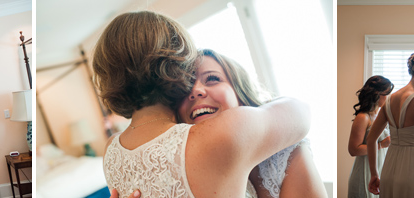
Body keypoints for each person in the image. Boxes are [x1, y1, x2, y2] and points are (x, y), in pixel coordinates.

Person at [95, 11, 310, 198]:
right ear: (176, 61)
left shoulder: (110, 152)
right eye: (191, 79)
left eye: (212, 79)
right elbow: (301, 113)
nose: (196, 90)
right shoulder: (218, 135)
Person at [175, 49, 327, 198]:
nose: (195, 91)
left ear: (239, 92)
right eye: (186, 87)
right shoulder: (177, 168)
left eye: (212, 79)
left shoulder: (286, 150)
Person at [366, 53, 414, 198]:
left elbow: (371, 139)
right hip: (413, 169)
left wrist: (374, 173)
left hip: (389, 169)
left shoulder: (388, 100)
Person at [347, 75, 393, 198]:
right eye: (386, 94)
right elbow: (353, 149)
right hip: (364, 174)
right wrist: (382, 144)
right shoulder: (363, 117)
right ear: (377, 94)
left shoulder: (379, 116)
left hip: (378, 170)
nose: (388, 98)